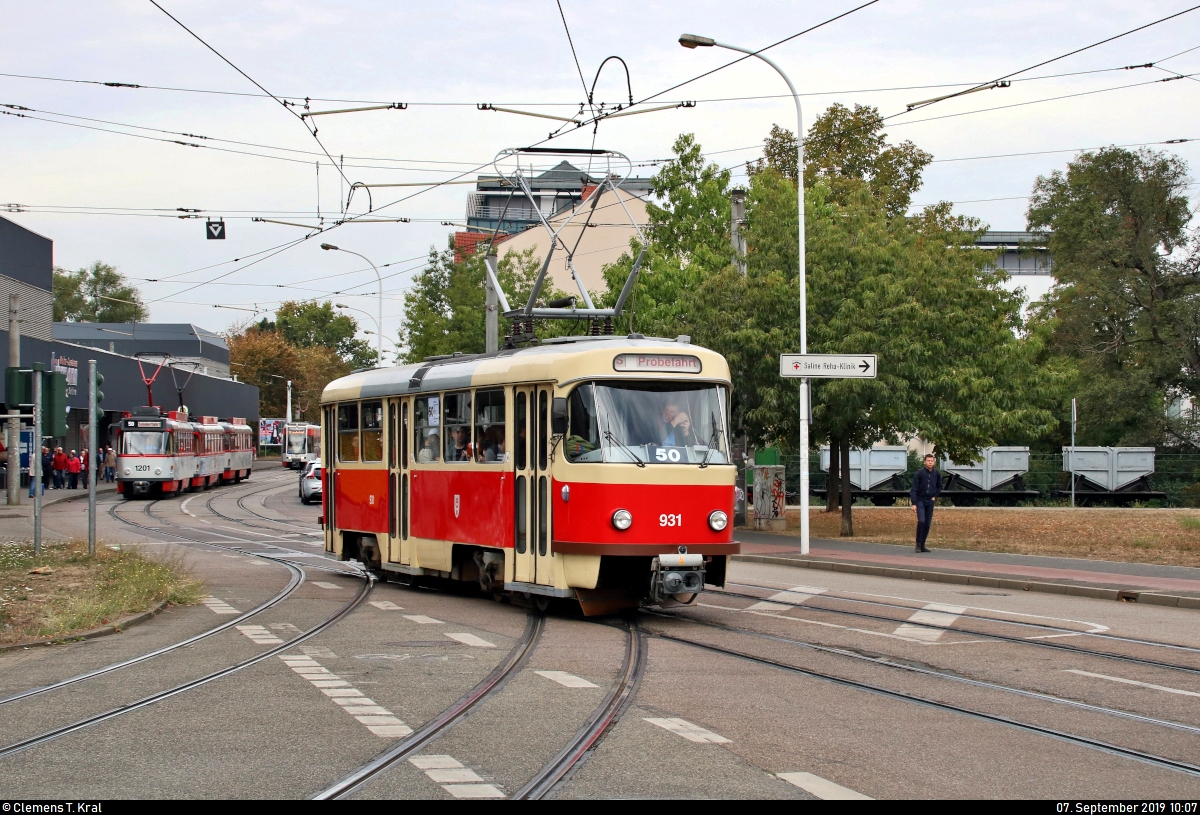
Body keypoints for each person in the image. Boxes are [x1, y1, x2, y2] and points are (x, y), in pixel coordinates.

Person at [910, 453, 943, 553]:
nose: (930, 462)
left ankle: (923, 544)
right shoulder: (919, 473)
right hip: (920, 500)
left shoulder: (936, 474)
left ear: (934, 462)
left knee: (927, 524)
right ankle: (918, 544)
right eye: (928, 461)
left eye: (932, 461)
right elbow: (914, 489)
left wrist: (935, 496)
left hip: (930, 500)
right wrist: (914, 503)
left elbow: (939, 486)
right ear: (925, 462)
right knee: (922, 521)